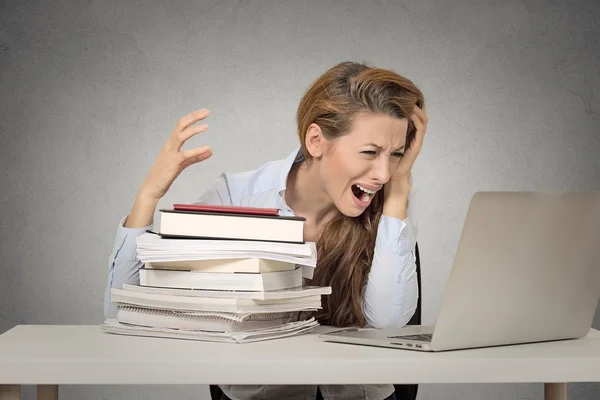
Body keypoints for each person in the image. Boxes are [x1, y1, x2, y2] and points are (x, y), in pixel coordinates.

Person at [104, 61, 428, 400]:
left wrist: (400, 190)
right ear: (316, 141)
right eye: (370, 152)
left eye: (396, 155)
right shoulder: (234, 198)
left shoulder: (392, 202)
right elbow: (121, 316)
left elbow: (387, 323)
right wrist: (148, 196)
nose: (383, 173)